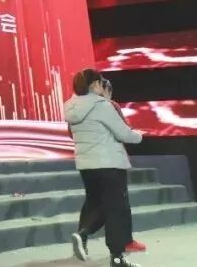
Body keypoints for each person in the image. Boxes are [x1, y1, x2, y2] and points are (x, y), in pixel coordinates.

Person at [65, 69, 143, 267]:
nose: (103, 85)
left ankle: (83, 234)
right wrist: (140, 135)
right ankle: (116, 257)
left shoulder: (71, 106)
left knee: (96, 203)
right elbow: (124, 134)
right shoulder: (102, 106)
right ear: (94, 84)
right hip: (109, 164)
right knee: (115, 209)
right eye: (100, 82)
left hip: (86, 165)